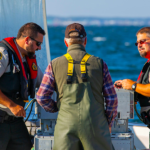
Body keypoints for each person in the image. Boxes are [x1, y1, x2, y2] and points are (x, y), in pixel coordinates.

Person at [36, 23, 118, 150]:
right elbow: (112, 99)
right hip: (96, 125)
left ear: (65, 42)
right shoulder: (100, 64)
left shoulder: (54, 64)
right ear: (85, 41)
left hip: (65, 126)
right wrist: (107, 122)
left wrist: (57, 108)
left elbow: (41, 97)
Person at [0, 22, 45, 150]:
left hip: (15, 121)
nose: (39, 48)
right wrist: (12, 105)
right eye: (38, 44)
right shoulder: (4, 53)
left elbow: (45, 83)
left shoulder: (28, 60)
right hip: (2, 118)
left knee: (25, 146)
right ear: (27, 40)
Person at [114, 27, 150, 118]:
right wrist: (126, 87)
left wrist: (133, 85)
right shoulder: (147, 64)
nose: (139, 45)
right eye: (137, 43)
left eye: (142, 41)